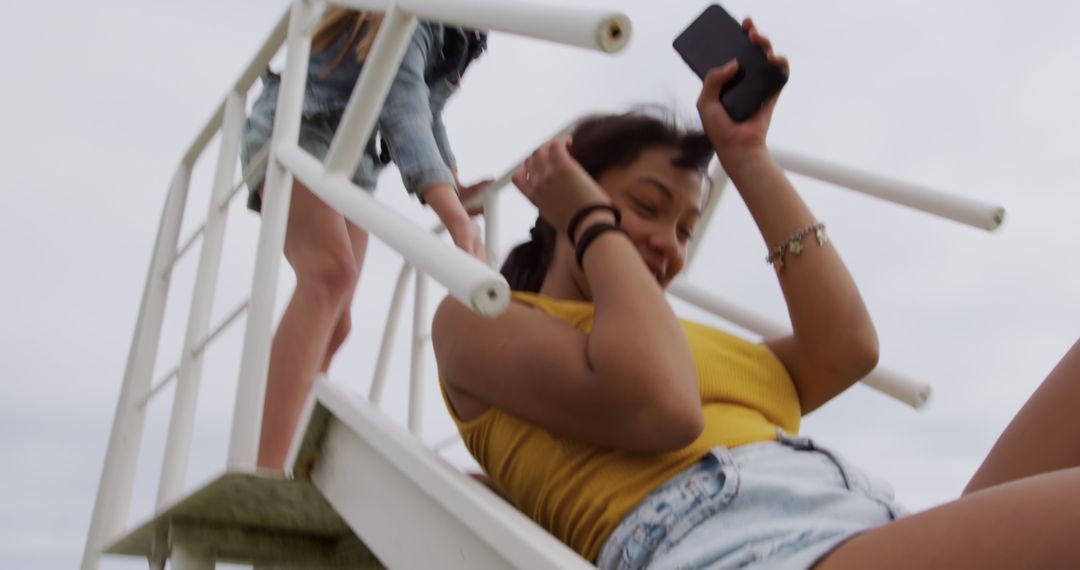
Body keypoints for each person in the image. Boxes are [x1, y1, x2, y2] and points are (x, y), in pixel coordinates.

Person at [432, 17, 1080, 569]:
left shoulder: (696, 348)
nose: (668, 244)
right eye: (646, 207)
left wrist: (746, 156)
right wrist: (590, 220)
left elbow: (847, 348)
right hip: (734, 543)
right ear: (563, 195)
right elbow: (665, 409)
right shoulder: (482, 317)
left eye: (685, 228)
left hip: (857, 522)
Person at [240, 8, 489, 470]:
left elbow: (427, 111)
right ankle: (269, 466)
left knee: (338, 322)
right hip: (298, 126)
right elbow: (403, 107)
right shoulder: (415, 16)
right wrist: (453, 217)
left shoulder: (465, 30)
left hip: (351, 155)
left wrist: (452, 182)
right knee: (328, 277)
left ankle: (294, 454)